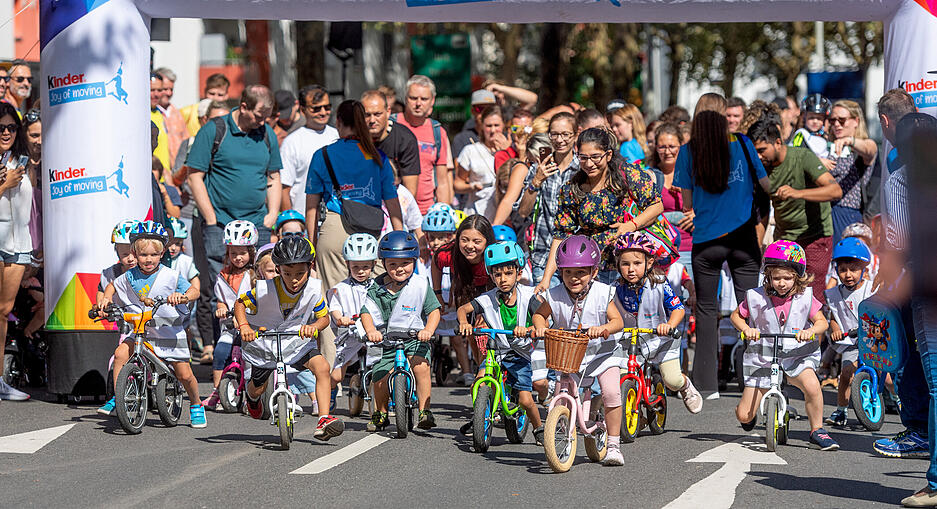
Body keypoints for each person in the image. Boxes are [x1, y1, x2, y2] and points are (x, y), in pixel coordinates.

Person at [673, 93, 771, 399]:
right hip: (743, 237)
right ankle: (755, 378)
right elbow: (766, 186)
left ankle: (706, 384)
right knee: (751, 307)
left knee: (706, 310)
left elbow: (687, 203)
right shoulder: (743, 143)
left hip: (706, 239)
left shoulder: (688, 151)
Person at [185, 84, 281, 358]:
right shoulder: (215, 130)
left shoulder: (267, 134)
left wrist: (272, 214)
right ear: (244, 106)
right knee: (222, 287)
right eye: (259, 116)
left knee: (262, 283)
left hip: (258, 224)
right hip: (221, 224)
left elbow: (273, 176)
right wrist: (210, 217)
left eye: (267, 116)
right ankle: (225, 353)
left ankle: (259, 352)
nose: (263, 121)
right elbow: (195, 175)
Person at [730, 239, 837, 450]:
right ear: (768, 276)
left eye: (787, 278)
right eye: (776, 277)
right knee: (744, 416)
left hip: (796, 356)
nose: (781, 283)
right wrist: (746, 328)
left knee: (813, 386)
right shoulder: (755, 297)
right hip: (763, 358)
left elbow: (822, 322)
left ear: (797, 276)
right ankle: (758, 412)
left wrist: (810, 331)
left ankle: (817, 430)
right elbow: (736, 316)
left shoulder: (805, 297)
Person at [95, 222, 205, 427]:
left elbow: (194, 291)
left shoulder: (170, 276)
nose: (148, 259)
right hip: (141, 332)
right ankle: (119, 396)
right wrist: (106, 299)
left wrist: (182, 297)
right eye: (143, 255)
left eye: (154, 255)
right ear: (135, 254)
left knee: (184, 374)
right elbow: (111, 286)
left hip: (169, 333)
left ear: (162, 253)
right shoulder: (128, 276)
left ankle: (196, 404)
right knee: (120, 354)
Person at [236, 235, 345, 440]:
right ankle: (251, 397)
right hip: (265, 343)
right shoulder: (265, 289)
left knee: (322, 367)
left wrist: (313, 327)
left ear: (310, 267)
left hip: (296, 342)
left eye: (300, 273)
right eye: (287, 273)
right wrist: (244, 326)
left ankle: (324, 419)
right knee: (257, 388)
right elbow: (240, 304)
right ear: (278, 269)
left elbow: (324, 318)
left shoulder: (313, 290)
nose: (294, 279)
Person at [530, 235, 626, 465]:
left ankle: (614, 445)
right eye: (568, 272)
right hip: (570, 354)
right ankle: (563, 433)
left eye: (581, 272)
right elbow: (539, 315)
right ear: (560, 272)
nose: (574, 278)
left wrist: (603, 328)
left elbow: (618, 322)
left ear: (594, 271)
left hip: (603, 353)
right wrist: (541, 326)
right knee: (561, 394)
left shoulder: (602, 292)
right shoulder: (554, 295)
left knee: (611, 392)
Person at [538, 127, 663, 289]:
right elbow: (561, 235)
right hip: (591, 269)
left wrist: (631, 225)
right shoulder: (571, 189)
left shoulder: (628, 175)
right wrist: (546, 279)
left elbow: (657, 205)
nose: (589, 164)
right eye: (583, 158)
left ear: (608, 155)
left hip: (629, 266)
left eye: (595, 157)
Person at [304, 99, 404, 292]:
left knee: (334, 298)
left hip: (334, 229)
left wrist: (312, 245)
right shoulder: (377, 156)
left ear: (338, 122)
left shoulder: (322, 155)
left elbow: (311, 207)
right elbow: (392, 202)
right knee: (375, 297)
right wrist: (399, 239)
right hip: (371, 231)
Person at [456, 240, 543, 443]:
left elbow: (542, 319)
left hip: (519, 353)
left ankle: (539, 428)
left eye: (508, 273)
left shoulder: (529, 296)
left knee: (525, 400)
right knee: (478, 382)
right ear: (491, 275)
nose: (503, 279)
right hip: (496, 351)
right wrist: (464, 323)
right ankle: (481, 415)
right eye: (497, 274)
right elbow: (462, 309)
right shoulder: (487, 298)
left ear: (518, 274)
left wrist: (531, 329)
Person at [747, 119, 842, 304]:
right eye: (754, 152)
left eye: (762, 150)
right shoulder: (761, 169)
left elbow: (835, 190)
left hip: (815, 237)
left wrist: (798, 193)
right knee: (781, 296)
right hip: (785, 240)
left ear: (778, 142)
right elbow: (762, 210)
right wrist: (757, 247)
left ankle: (816, 325)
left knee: (813, 299)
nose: (758, 156)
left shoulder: (802, 157)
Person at [612, 232, 702, 413]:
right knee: (618, 380)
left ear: (649, 263)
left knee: (672, 380)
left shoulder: (659, 284)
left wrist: (669, 325)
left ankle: (686, 386)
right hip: (630, 341)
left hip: (660, 339)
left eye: (637, 263)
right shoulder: (615, 288)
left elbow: (678, 309)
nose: (631, 269)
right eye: (625, 264)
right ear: (618, 265)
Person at [361, 231, 441, 432]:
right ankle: (380, 413)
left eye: (405, 263)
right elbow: (366, 312)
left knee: (421, 367)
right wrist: (371, 331)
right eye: (392, 264)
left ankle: (424, 411)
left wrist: (428, 330)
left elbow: (434, 311)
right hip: (386, 340)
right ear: (383, 263)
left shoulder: (420, 285)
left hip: (415, 338)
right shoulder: (376, 287)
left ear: (414, 261)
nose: (399, 268)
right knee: (379, 377)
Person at [516, 112, 579, 287]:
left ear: (575, 135)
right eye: (554, 134)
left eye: (565, 134)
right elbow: (523, 212)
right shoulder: (539, 168)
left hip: (576, 257)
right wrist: (536, 181)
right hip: (543, 256)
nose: (560, 140)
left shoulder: (584, 169)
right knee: (544, 304)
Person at [432, 215, 495, 386]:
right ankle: (481, 370)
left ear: (487, 241)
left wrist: (487, 311)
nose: (469, 246)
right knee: (473, 337)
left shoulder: (493, 254)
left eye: (476, 241)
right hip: (466, 292)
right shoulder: (449, 253)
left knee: (485, 336)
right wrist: (437, 293)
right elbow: (436, 262)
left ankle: (486, 376)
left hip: (491, 293)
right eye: (464, 240)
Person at [202, 220, 257, 409]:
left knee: (252, 359)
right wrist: (221, 307)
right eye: (233, 253)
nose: (238, 258)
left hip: (251, 327)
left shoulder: (255, 275)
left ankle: (252, 396)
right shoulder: (224, 276)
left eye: (242, 253)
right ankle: (217, 391)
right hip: (230, 327)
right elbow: (221, 299)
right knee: (220, 353)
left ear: (251, 252)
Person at [824, 237, 876, 427]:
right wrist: (836, 329)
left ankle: (898, 400)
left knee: (886, 378)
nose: (848, 275)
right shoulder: (835, 294)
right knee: (846, 374)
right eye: (842, 270)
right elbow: (834, 316)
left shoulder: (872, 289)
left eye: (853, 269)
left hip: (873, 341)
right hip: (851, 341)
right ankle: (841, 410)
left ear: (864, 270)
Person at [0, 102, 32, 401]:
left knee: (3, 312)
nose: (7, 132)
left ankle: (0, 380)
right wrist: (4, 184)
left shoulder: (21, 159)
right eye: (1, 127)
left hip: (19, 243)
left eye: (12, 127)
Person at [327, 233, 378, 409]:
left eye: (365, 266)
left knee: (385, 365)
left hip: (374, 333)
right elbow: (334, 307)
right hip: (351, 333)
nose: (360, 271)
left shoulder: (378, 287)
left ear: (374, 264)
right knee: (337, 375)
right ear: (347, 264)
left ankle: (393, 399)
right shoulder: (340, 288)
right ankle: (330, 394)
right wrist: (339, 318)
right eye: (355, 266)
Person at [395, 75, 454, 213]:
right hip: (395, 211)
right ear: (405, 98)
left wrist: (443, 214)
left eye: (424, 99)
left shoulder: (438, 132)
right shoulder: (391, 126)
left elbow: (442, 182)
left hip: (426, 212)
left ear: (432, 101)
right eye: (413, 98)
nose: (418, 103)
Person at [279, 84, 339, 214]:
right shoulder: (292, 142)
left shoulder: (338, 136)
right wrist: (291, 220)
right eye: (316, 108)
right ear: (303, 110)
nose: (323, 112)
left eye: (327, 107)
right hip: (302, 217)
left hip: (336, 217)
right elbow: (284, 188)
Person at [826, 100, 878, 242]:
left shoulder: (863, 145)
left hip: (847, 214)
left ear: (856, 121)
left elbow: (870, 149)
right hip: (825, 213)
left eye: (842, 120)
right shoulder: (828, 145)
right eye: (832, 120)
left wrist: (850, 141)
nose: (837, 124)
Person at [361, 89, 420, 199]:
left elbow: (410, 193)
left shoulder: (405, 139)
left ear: (388, 112)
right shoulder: (355, 139)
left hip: (395, 202)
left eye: (377, 114)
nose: (372, 120)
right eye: (367, 115)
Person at [649, 122, 692, 268]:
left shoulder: (693, 174)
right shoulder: (650, 177)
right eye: (662, 147)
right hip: (659, 250)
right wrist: (673, 217)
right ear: (656, 148)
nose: (667, 152)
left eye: (672, 146)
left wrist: (696, 215)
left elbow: (709, 207)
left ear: (681, 146)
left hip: (690, 247)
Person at [454, 105, 508, 218]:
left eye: (496, 125)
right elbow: (457, 184)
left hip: (504, 215)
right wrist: (471, 187)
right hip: (477, 213)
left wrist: (506, 152)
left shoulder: (512, 150)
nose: (493, 130)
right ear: (482, 126)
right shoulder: (470, 150)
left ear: (503, 125)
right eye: (489, 126)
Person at [492, 132, 548, 228]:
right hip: (526, 227)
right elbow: (509, 201)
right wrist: (496, 225)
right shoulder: (522, 169)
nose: (535, 167)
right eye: (531, 162)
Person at [153, 68, 190, 168]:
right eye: (165, 89)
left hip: (177, 171)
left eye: (171, 89)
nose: (169, 93)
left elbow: (185, 143)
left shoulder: (177, 114)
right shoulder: (150, 114)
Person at [453, 89, 498, 160]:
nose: (484, 113)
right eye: (480, 109)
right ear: (472, 111)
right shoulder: (461, 139)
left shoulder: (505, 138)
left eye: (489, 110)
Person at [181, 73, 230, 137]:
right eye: (212, 93)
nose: (215, 98)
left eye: (220, 95)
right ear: (205, 92)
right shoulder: (187, 112)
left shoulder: (229, 115)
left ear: (226, 96)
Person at [791, 94, 832, 160]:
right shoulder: (801, 134)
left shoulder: (826, 137)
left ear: (824, 120)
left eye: (819, 118)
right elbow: (796, 155)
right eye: (811, 118)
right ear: (804, 117)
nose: (815, 121)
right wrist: (818, 161)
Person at [150, 72, 172, 174]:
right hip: (153, 178)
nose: (156, 94)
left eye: (159, 90)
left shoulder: (160, 113)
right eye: (152, 90)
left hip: (165, 178)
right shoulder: (142, 117)